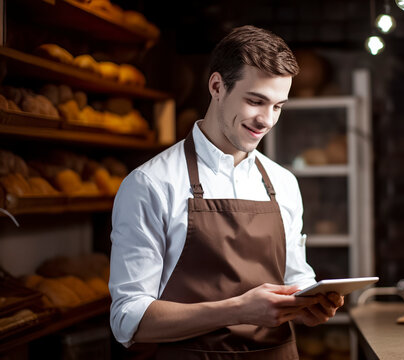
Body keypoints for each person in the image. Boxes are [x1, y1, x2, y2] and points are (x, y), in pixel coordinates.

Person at [109, 25, 344, 359]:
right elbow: (127, 321)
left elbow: (296, 275)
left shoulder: (284, 183)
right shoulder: (150, 184)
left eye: (278, 106)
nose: (266, 120)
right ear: (217, 86)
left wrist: (309, 302)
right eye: (255, 101)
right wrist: (237, 310)